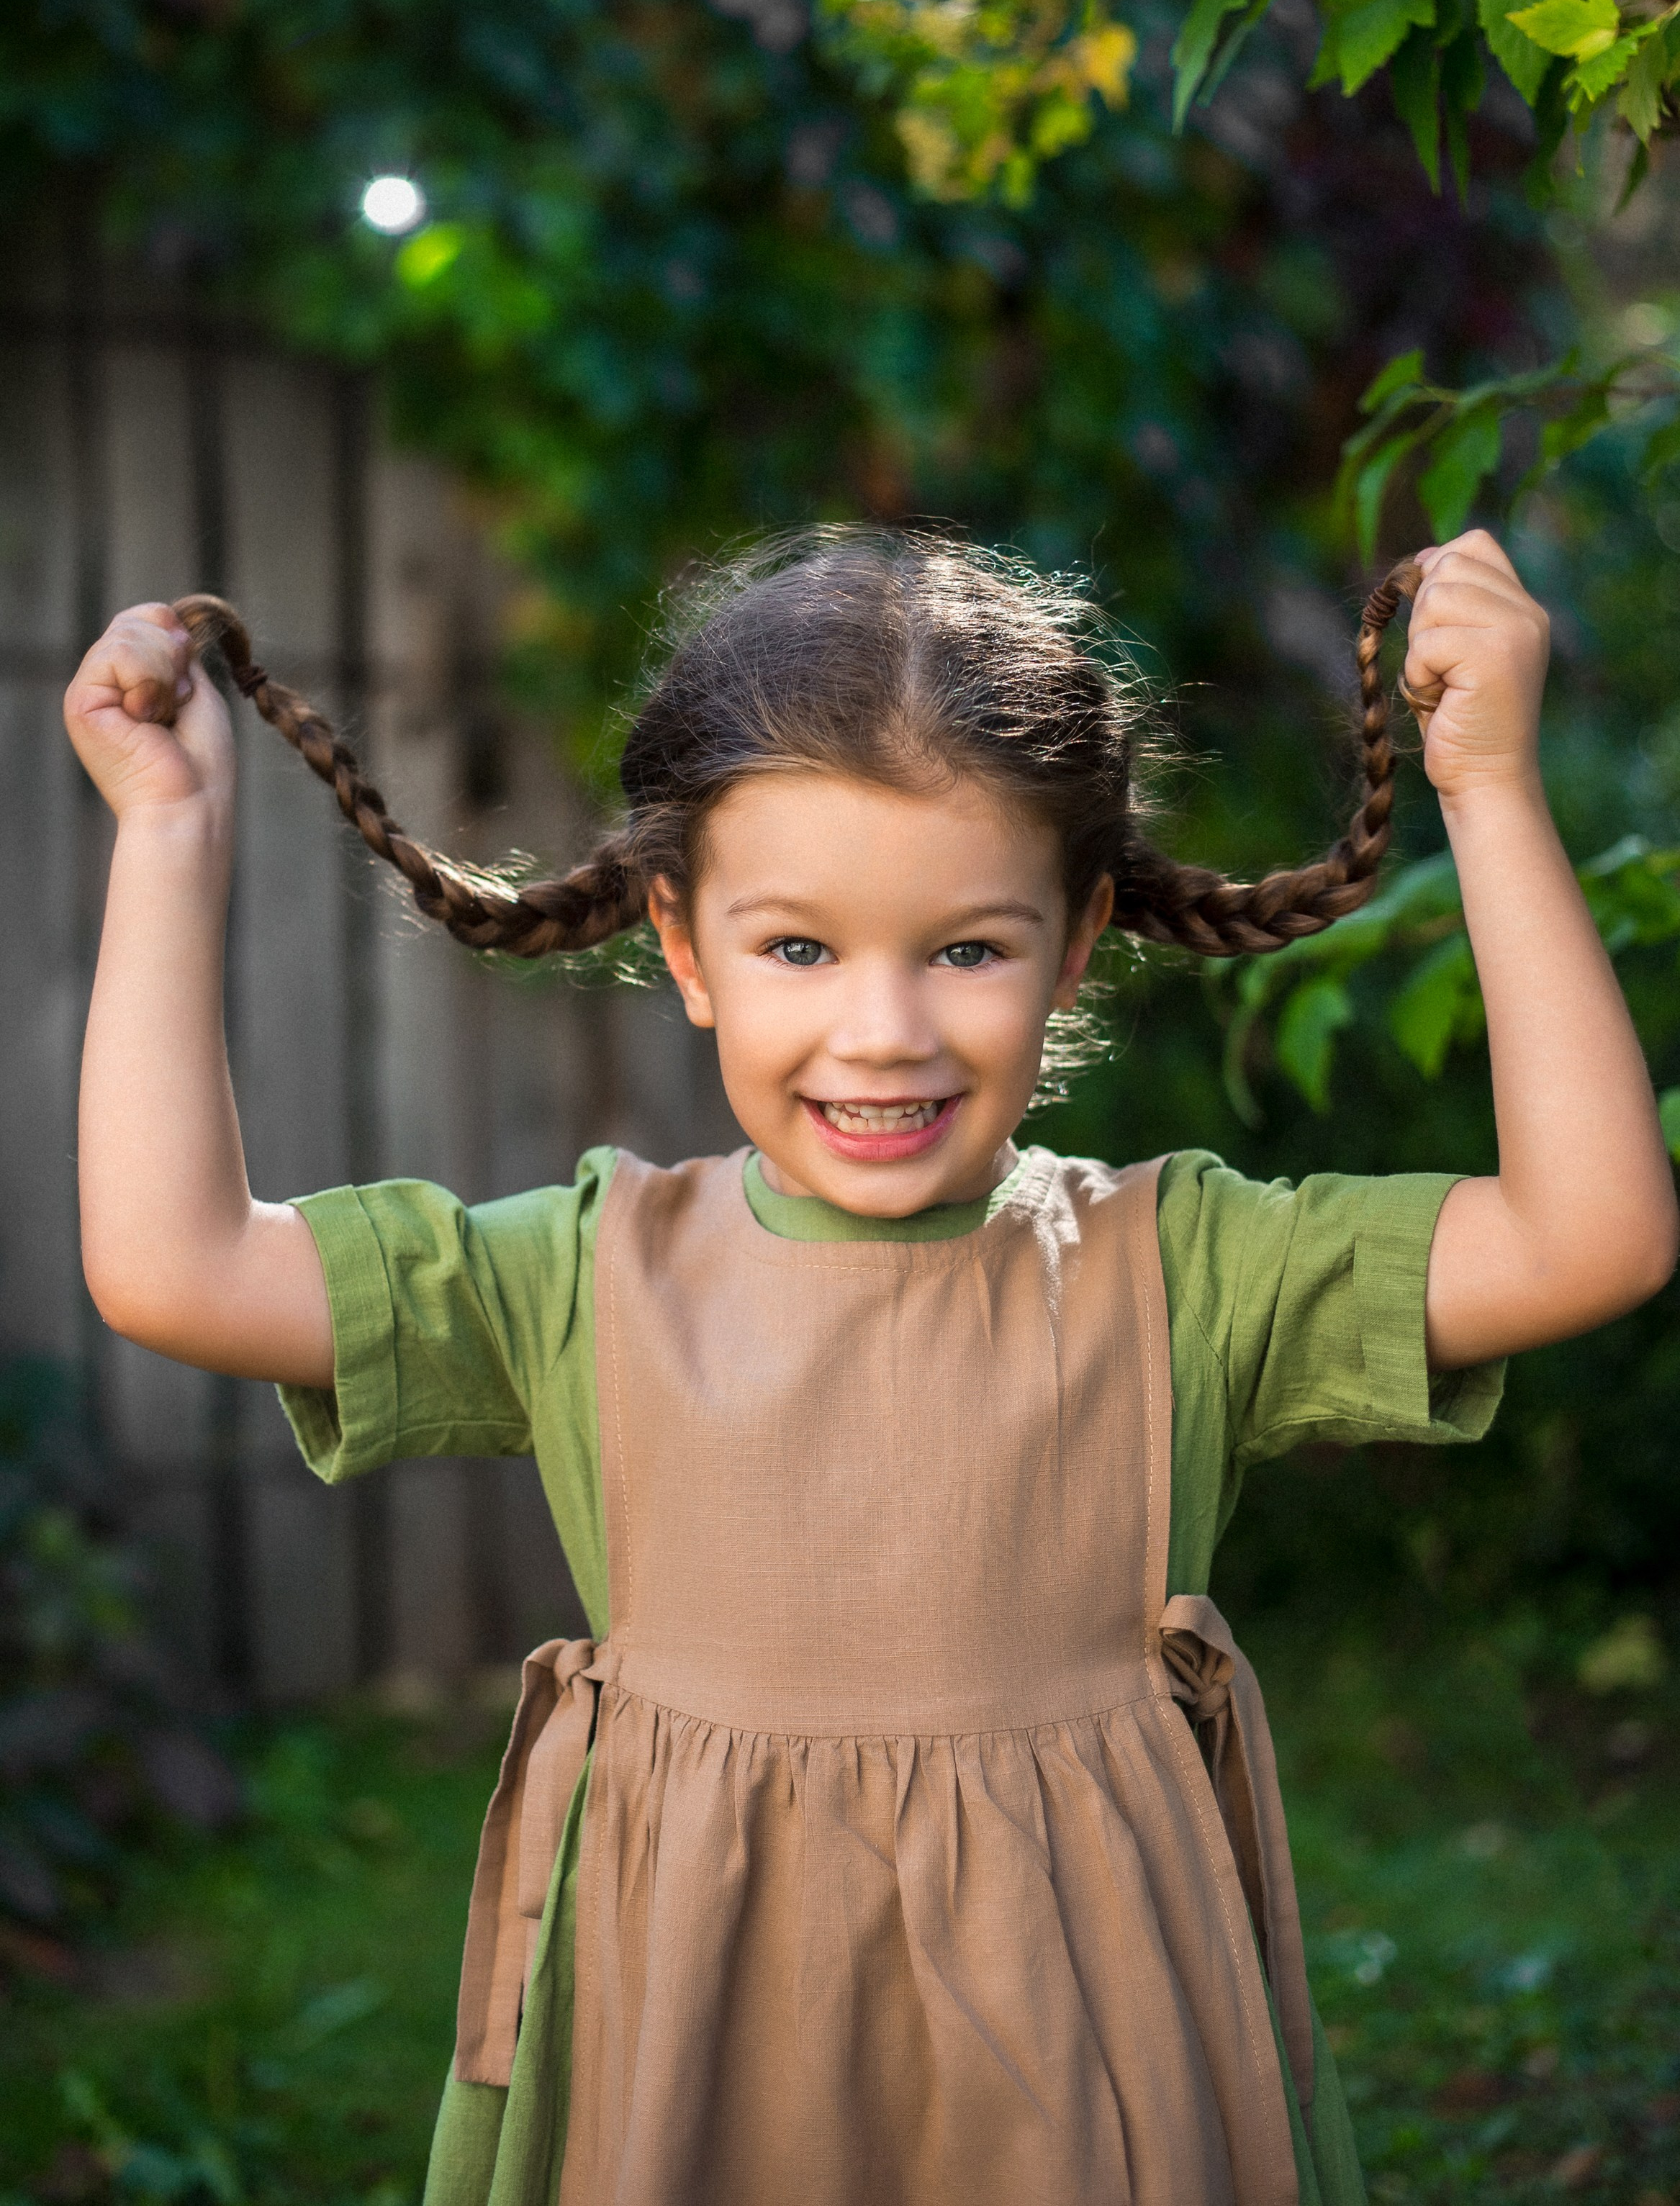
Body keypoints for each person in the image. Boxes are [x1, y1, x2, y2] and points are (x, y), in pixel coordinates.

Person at [66, 526, 1676, 2206]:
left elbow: (1592, 1238)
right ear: (684, 948)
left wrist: (1489, 786)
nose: (884, 1029)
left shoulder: (1181, 1270)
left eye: (965, 949)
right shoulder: (586, 1277)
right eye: (800, 949)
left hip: (1092, 2069)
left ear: (1073, 945)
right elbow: (176, 1268)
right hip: (696, 2064)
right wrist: (169, 837)